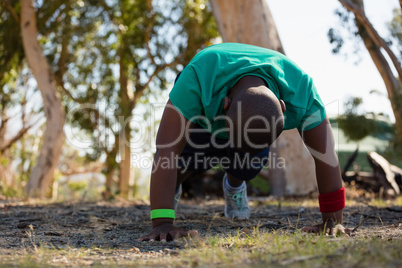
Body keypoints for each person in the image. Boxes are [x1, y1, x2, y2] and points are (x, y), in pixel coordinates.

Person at [139, 43, 348, 242]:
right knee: (182, 161)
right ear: (225, 104)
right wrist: (162, 223)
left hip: (245, 117)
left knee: (249, 161)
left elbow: (326, 156)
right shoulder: (196, 80)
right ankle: (171, 191)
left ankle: (235, 186)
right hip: (204, 109)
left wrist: (332, 220)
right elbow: (166, 152)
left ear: (283, 106)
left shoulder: (301, 91)